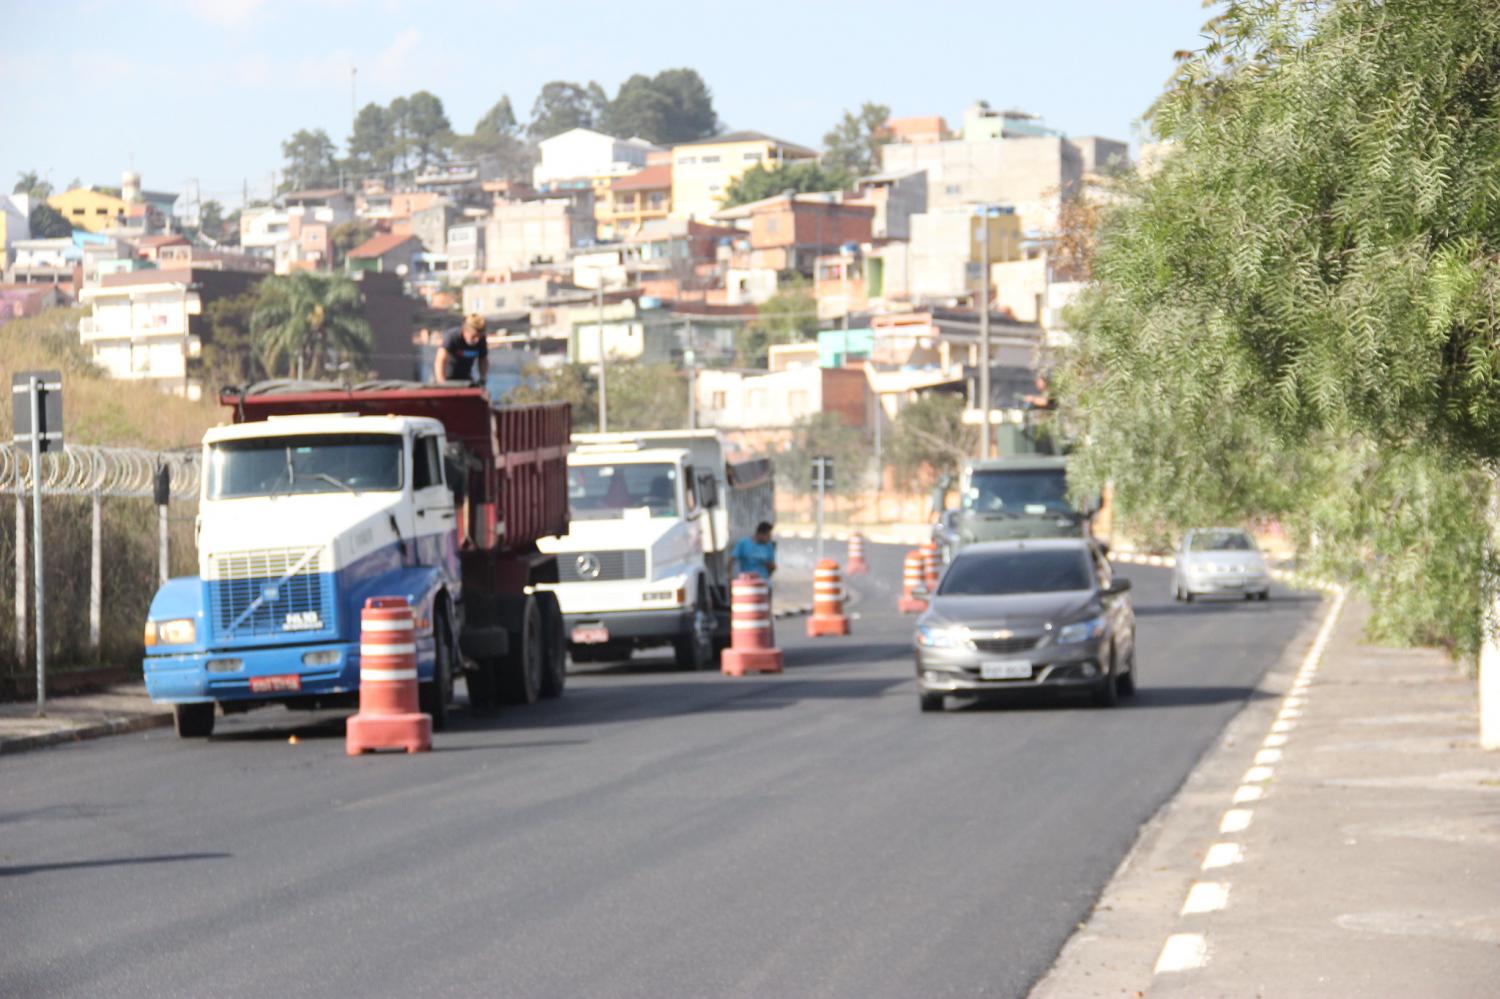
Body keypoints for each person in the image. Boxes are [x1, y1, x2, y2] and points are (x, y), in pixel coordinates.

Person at [433, 314, 490, 386]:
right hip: (446, 378)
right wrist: (441, 383)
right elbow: (440, 360)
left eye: (479, 336)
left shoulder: (481, 340)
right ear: (465, 330)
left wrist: (483, 378)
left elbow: (483, 359)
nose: (477, 340)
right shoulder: (452, 336)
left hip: (465, 379)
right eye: (474, 336)